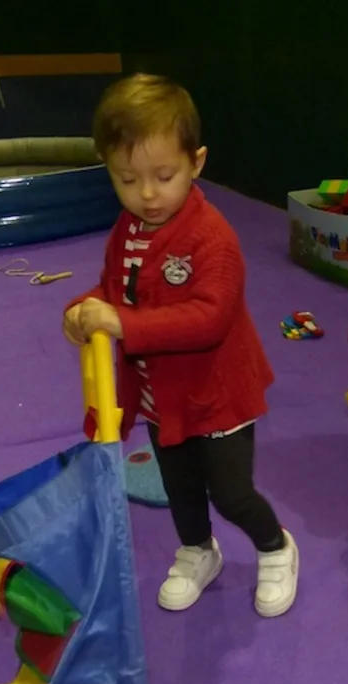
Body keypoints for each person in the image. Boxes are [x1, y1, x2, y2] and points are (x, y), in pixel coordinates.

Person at [63, 73, 298, 618]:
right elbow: (114, 288)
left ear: (197, 163)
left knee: (231, 492)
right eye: (127, 179)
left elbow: (208, 319)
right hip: (159, 396)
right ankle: (198, 550)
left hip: (218, 395)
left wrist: (122, 323)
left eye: (163, 176)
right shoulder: (128, 230)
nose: (146, 194)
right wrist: (82, 308)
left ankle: (275, 546)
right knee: (180, 487)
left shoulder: (211, 237)